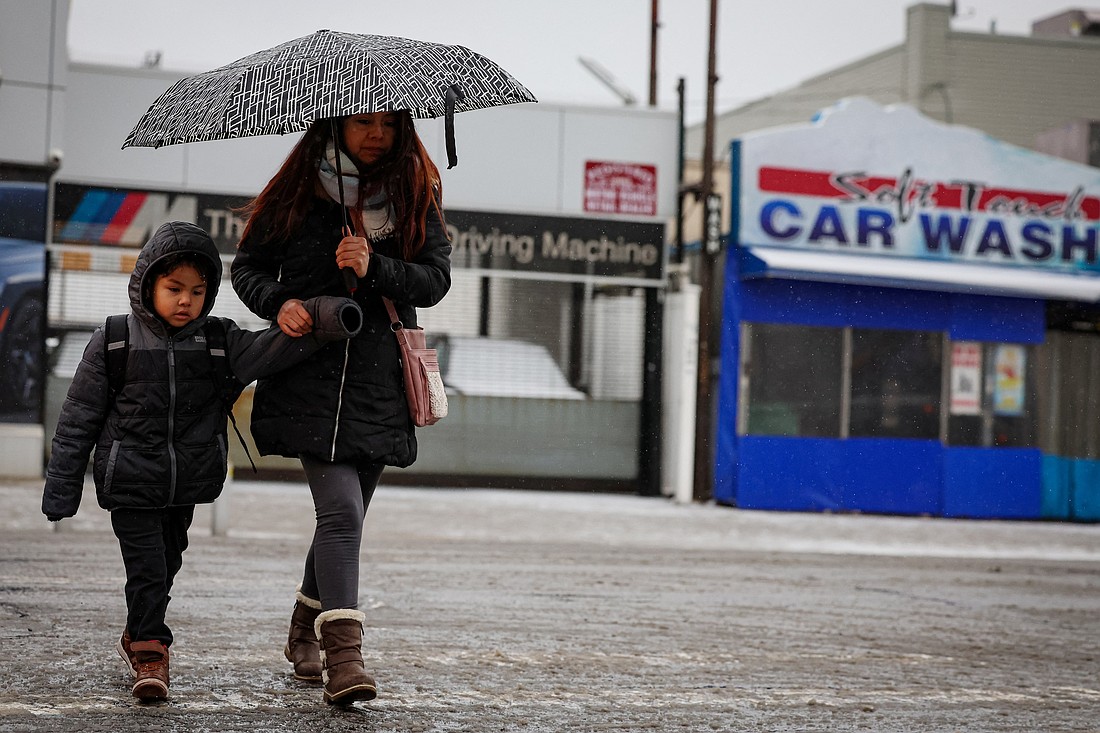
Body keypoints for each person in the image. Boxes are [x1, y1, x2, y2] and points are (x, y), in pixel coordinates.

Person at [42, 221, 362, 703]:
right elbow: (77, 419)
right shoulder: (113, 340)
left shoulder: (217, 341)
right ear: (148, 282)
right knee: (148, 567)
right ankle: (151, 651)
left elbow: (266, 353)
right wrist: (61, 488)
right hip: (129, 482)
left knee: (167, 563)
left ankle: (136, 633)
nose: (185, 300)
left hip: (187, 482)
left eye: (197, 290)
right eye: (174, 289)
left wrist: (318, 319)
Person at [231, 110, 451, 705]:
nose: (375, 133)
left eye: (387, 123)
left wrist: (374, 266)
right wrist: (280, 302)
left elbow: (434, 282)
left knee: (344, 518)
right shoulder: (298, 191)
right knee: (342, 515)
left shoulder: (411, 193)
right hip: (309, 377)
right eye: (362, 122)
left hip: (380, 386)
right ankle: (344, 659)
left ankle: (303, 630)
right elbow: (247, 269)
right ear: (334, 126)